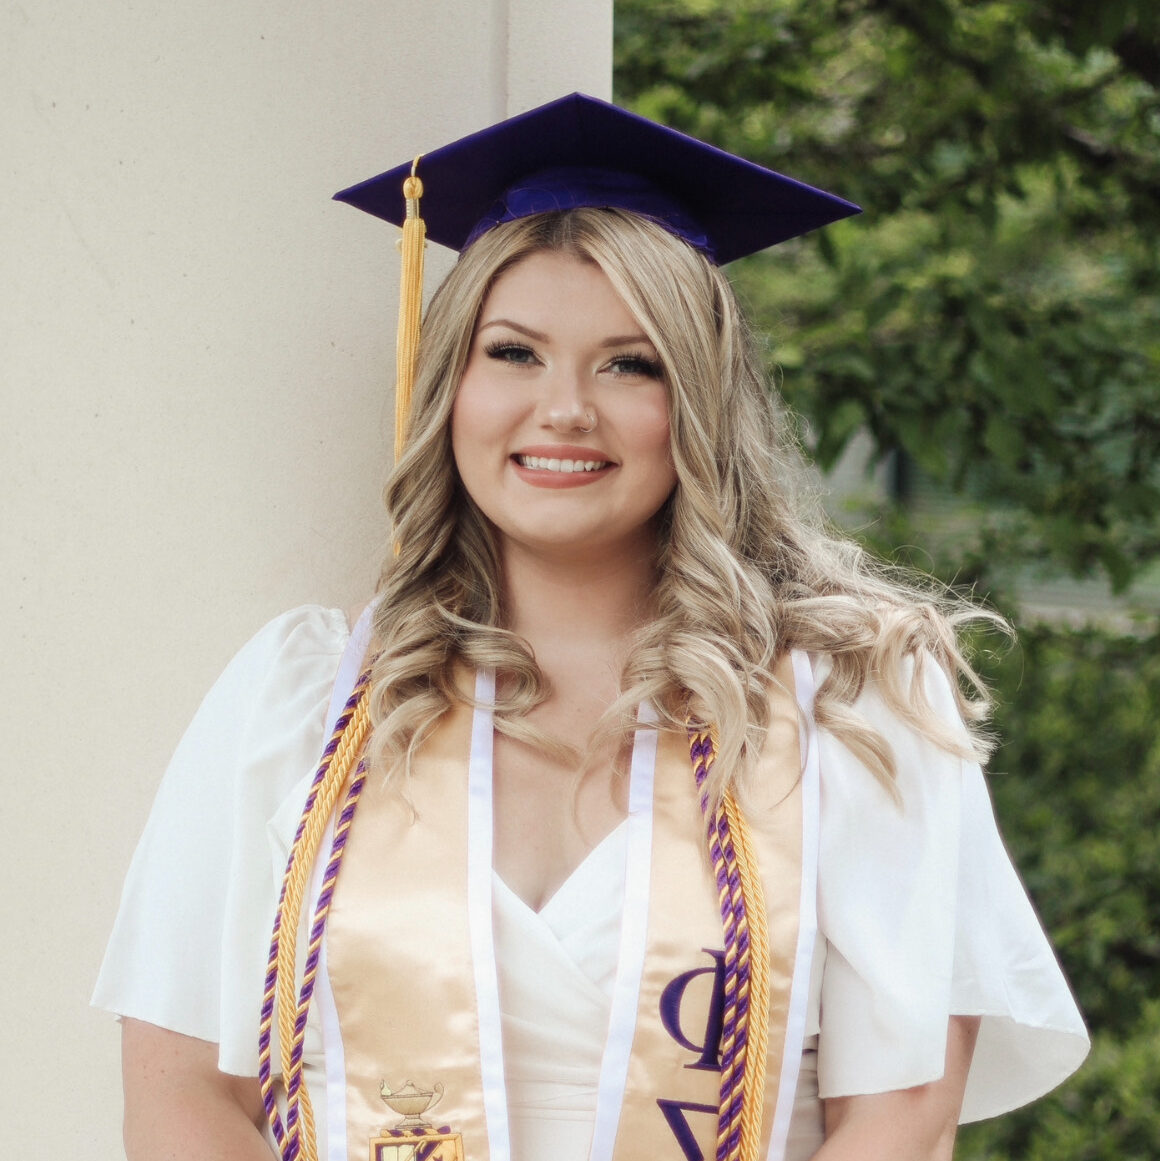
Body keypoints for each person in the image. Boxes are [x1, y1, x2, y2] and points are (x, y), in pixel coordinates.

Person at [94, 93, 1088, 1161]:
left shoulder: (848, 701)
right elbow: (186, 1102)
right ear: (450, 386)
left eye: (629, 364)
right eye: (513, 354)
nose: (564, 408)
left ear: (697, 404)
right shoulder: (302, 704)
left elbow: (898, 1115)